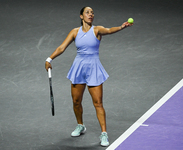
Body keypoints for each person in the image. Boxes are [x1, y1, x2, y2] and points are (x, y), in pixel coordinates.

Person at [45, 6, 133, 147]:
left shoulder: (97, 30)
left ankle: (104, 133)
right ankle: (80, 125)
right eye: (87, 12)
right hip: (79, 68)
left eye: (92, 13)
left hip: (94, 69)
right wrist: (49, 59)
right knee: (76, 101)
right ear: (81, 16)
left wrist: (122, 27)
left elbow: (110, 30)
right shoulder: (74, 32)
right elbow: (62, 48)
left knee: (98, 103)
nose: (90, 14)